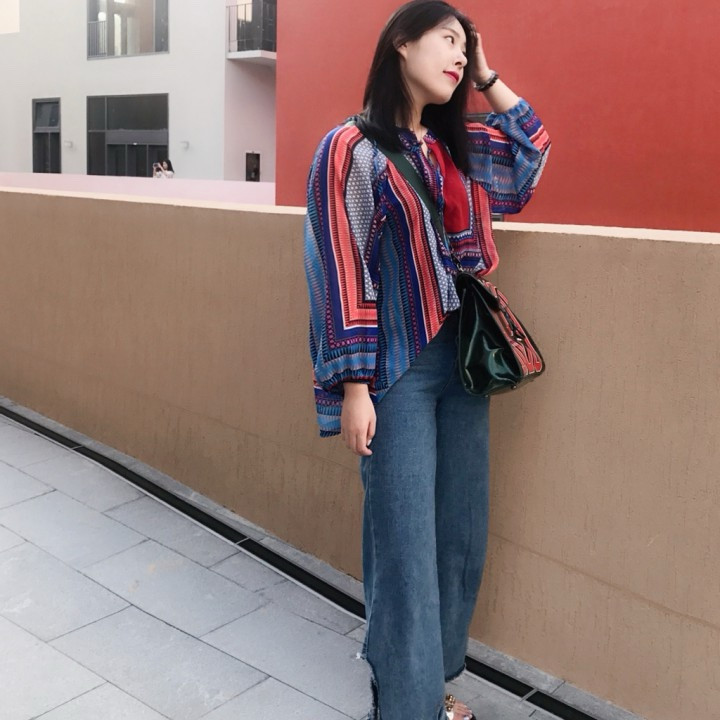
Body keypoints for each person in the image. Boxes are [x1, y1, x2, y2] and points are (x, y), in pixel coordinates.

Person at [303, 2, 550, 718]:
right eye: (447, 39)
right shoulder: (349, 148)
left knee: (458, 532)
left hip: (465, 364)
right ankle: (404, 707)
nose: (458, 54)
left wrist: (486, 75)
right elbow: (342, 267)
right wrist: (355, 387)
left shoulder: (454, 146)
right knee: (404, 543)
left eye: (464, 45)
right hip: (395, 369)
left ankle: (428, 684)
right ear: (400, 45)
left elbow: (530, 154)